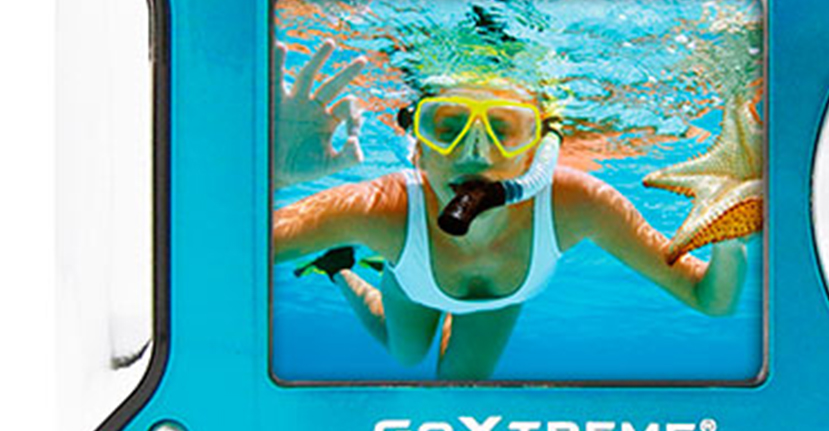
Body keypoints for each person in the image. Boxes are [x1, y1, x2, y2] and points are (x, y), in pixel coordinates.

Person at [272, 40, 752, 380]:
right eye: (447, 126)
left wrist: (728, 234)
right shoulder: (383, 210)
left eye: (505, 129)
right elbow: (246, 250)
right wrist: (273, 176)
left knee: (459, 381)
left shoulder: (576, 202)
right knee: (406, 354)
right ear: (417, 149)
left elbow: (710, 298)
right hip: (413, 276)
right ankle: (340, 269)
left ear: (536, 153)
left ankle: (351, 264)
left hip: (495, 302)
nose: (475, 153)